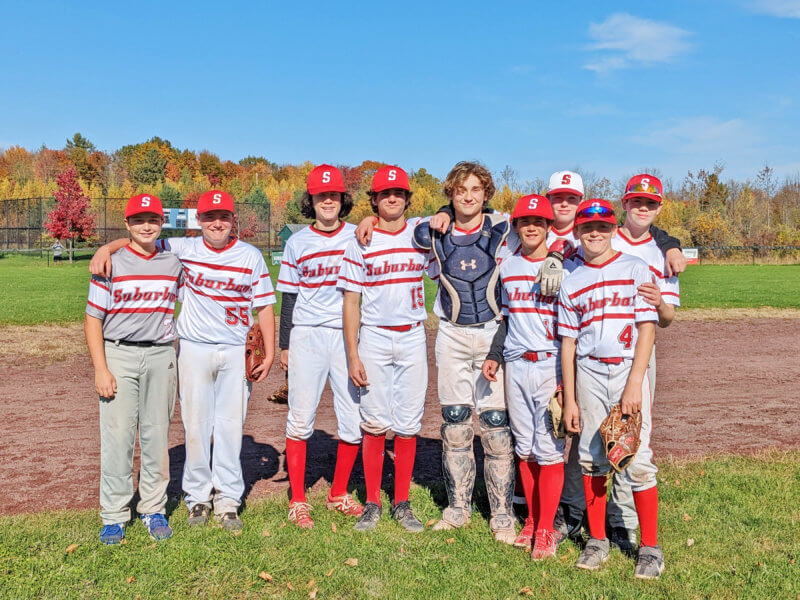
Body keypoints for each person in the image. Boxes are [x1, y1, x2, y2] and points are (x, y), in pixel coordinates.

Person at [89, 190, 275, 531]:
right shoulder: (183, 248)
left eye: (223, 216)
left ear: (233, 220)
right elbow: (139, 241)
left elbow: (264, 306)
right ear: (198, 221)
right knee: (196, 425)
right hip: (192, 347)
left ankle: (229, 499)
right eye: (209, 216)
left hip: (234, 350)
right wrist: (106, 247)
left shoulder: (250, 256)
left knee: (231, 426)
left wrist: (272, 350)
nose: (216, 222)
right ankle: (198, 497)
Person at [558, 199, 664, 579]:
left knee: (636, 458)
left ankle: (650, 547)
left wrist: (635, 383)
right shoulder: (573, 281)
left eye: (603, 227)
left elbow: (647, 328)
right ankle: (598, 539)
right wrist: (570, 399)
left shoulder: (635, 268)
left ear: (613, 229)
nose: (595, 233)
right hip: (587, 372)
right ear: (577, 231)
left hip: (625, 371)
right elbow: (568, 344)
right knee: (591, 458)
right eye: (588, 227)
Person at [415, 161, 517, 544]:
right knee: (456, 423)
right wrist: (441, 214)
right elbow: (396, 230)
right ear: (451, 195)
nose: (469, 197)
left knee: (495, 428)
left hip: (491, 332)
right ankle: (458, 509)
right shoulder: (433, 233)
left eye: (475, 189)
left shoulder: (502, 229)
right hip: (452, 334)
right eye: (460, 191)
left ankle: (502, 513)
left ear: (486, 193)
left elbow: (545, 225)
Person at [84, 193, 182, 544]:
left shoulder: (173, 262)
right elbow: (93, 319)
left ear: (161, 223)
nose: (146, 225)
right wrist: (100, 368)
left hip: (160, 354)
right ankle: (114, 515)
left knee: (156, 436)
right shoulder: (111, 263)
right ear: (127, 225)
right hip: (119, 354)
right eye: (138, 220)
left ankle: (153, 509)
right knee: (117, 437)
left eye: (152, 219)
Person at [338, 165, 428, 533]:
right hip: (374, 337)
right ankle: (373, 502)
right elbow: (350, 302)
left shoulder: (422, 234)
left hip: (413, 335)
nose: (393, 198)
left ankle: (402, 502)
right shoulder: (361, 239)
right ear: (374, 199)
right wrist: (353, 354)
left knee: (407, 424)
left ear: (407, 198)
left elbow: (460, 214)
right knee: (374, 423)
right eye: (384, 193)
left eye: (399, 193)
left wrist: (443, 213)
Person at [481, 194, 571, 559]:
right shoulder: (510, 265)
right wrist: (494, 355)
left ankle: (548, 529)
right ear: (517, 227)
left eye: (539, 221)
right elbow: (507, 319)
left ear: (549, 226)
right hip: (517, 364)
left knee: (549, 451)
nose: (531, 226)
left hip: (551, 364)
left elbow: (572, 328)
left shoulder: (567, 265)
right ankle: (532, 520)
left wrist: (569, 379)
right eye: (524, 221)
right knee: (526, 448)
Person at [277, 165, 363, 529]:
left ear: (343, 200)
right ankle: (297, 500)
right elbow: (289, 297)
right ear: (310, 201)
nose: (328, 200)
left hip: (347, 337)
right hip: (308, 334)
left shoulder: (359, 235)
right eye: (320, 195)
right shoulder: (297, 242)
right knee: (300, 418)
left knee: (353, 421)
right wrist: (284, 345)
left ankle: (337, 493)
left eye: (334, 195)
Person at [603, 173, 680, 552]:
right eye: (637, 202)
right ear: (625, 204)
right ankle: (587, 515)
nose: (643, 208)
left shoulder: (661, 253)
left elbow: (666, 319)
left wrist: (660, 303)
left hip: (640, 355)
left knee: (632, 437)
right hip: (595, 352)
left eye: (650, 203)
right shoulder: (604, 236)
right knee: (592, 437)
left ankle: (625, 521)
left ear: (659, 208)